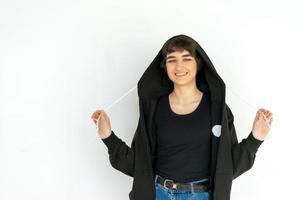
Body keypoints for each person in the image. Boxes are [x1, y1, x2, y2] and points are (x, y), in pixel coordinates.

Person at [91, 34, 273, 200]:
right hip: (159, 194)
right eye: (172, 60)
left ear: (198, 64)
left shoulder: (216, 109)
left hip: (202, 196)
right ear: (165, 66)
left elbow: (228, 167)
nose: (179, 67)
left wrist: (256, 138)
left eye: (186, 59)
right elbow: (139, 166)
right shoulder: (154, 108)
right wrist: (108, 136)